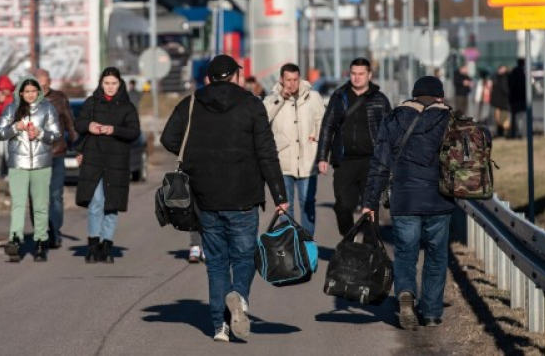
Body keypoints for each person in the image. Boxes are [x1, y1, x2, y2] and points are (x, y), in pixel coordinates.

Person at [161, 55, 288, 343]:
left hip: (205, 197)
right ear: (235, 76)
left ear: (209, 78)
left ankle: (220, 327)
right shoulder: (252, 105)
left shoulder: (192, 103)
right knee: (243, 256)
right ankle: (239, 297)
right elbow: (266, 152)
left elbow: (169, 139)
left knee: (216, 262)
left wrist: (194, 156)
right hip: (244, 195)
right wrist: (280, 195)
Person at [361, 76, 455, 330]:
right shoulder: (449, 120)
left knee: (405, 252)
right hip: (440, 199)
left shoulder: (394, 118)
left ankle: (405, 294)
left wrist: (370, 201)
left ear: (414, 96)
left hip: (405, 198)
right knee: (436, 256)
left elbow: (380, 163)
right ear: (440, 97)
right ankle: (433, 312)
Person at [316, 58, 391, 241]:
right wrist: (322, 157)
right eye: (353, 74)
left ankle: (370, 251)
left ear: (369, 75)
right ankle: (349, 236)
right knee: (342, 205)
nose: (356, 78)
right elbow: (327, 126)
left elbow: (389, 132)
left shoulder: (380, 100)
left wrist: (389, 161)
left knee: (370, 208)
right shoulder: (339, 96)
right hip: (344, 161)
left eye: (361, 74)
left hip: (371, 162)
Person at [75, 67, 140, 263]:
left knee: (112, 205)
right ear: (101, 84)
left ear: (119, 84)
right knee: (96, 202)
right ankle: (93, 244)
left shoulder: (127, 107)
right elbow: (78, 124)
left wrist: (114, 129)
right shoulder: (92, 103)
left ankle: (107, 245)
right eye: (107, 83)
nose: (110, 87)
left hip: (117, 160)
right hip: (94, 158)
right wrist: (89, 126)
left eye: (114, 83)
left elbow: (134, 132)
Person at [0, 76, 61, 263]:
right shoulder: (11, 108)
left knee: (40, 205)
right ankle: (15, 239)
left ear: (38, 92)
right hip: (18, 163)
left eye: (34, 91)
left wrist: (40, 133)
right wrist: (16, 127)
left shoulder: (48, 109)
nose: (31, 95)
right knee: (18, 203)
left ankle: (41, 242)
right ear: (20, 93)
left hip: (41, 163)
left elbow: (56, 135)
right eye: (27, 92)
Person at [263, 63, 325, 235]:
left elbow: (322, 121)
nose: (292, 84)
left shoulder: (313, 97)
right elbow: (262, 119)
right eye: (288, 80)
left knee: (307, 203)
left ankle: (306, 243)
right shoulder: (272, 98)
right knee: (284, 206)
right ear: (281, 80)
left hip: (308, 160)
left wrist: (317, 138)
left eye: (295, 79)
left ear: (300, 78)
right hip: (283, 161)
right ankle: (290, 242)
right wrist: (280, 98)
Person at [35, 68, 78, 249]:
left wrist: (78, 147)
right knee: (37, 197)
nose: (41, 90)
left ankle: (55, 231)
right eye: (39, 86)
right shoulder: (26, 99)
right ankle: (41, 231)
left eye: (45, 85)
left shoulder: (60, 98)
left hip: (57, 152)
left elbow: (70, 123)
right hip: (35, 156)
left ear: (50, 82)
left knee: (55, 195)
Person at [0, 75, 15, 178]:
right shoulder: (3, 99)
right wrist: (0, 103)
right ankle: (9, 172)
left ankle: (12, 172)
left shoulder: (12, 99)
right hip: (6, 129)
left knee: (11, 152)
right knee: (7, 153)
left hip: (12, 128)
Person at [508, 58, 527, 139]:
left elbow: (510, 85)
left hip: (513, 98)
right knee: (522, 117)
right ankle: (521, 133)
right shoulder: (522, 74)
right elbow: (523, 86)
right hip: (521, 98)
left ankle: (513, 133)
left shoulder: (512, 73)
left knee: (514, 117)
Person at [490, 65, 511, 138]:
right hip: (503, 101)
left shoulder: (494, 76)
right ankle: (502, 132)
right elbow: (505, 88)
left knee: (497, 117)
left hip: (496, 101)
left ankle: (499, 132)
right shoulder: (504, 77)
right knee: (503, 117)